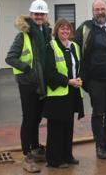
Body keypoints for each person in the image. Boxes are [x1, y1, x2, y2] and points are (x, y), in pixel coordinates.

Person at [75, 0, 106, 159]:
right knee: (98, 114)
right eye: (97, 9)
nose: (100, 12)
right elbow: (75, 53)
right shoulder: (85, 28)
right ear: (93, 12)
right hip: (96, 81)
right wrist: (84, 79)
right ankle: (100, 146)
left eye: (102, 9)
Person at [5, 0, 51, 173]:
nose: (39, 17)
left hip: (41, 82)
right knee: (29, 118)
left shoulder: (46, 33)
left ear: (45, 16)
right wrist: (28, 69)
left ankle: (35, 148)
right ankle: (27, 155)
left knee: (37, 118)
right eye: (36, 14)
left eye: (41, 14)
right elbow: (10, 58)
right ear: (31, 15)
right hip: (28, 83)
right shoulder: (23, 35)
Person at [43, 19, 84, 168]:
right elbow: (49, 72)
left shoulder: (74, 47)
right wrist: (68, 81)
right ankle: (54, 160)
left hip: (72, 92)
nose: (65, 31)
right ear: (56, 30)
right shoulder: (51, 47)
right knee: (56, 128)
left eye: (68, 29)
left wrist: (80, 79)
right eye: (62, 29)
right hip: (57, 94)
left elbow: (79, 66)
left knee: (68, 125)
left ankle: (67, 155)